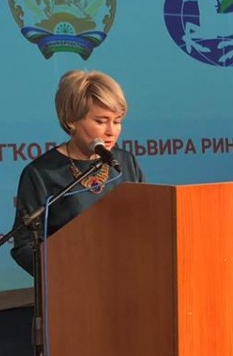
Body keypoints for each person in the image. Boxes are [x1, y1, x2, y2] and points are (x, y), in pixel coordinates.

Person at [11, 69, 144, 275]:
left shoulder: (125, 162)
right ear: (71, 121)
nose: (111, 131)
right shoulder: (41, 173)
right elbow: (24, 245)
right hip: (72, 284)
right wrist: (66, 274)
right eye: (101, 121)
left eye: (117, 121)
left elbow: (146, 222)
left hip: (127, 278)